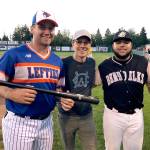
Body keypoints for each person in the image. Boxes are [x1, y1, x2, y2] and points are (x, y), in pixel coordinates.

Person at [0, 10, 74, 150]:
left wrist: (63, 98)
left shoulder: (57, 61)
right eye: (42, 27)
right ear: (32, 29)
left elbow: (58, 90)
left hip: (46, 122)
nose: (47, 31)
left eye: (51, 28)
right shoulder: (13, 55)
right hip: (19, 122)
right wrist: (11, 94)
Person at [98, 30, 150, 150]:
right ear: (113, 45)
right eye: (118, 42)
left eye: (126, 42)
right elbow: (88, 84)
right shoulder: (104, 66)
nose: (122, 45)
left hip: (136, 116)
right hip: (113, 115)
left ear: (131, 44)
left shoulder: (143, 62)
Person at [58, 29, 99, 150]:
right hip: (67, 116)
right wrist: (61, 98)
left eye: (86, 43)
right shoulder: (63, 63)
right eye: (79, 42)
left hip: (86, 116)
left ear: (90, 45)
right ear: (73, 44)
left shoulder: (92, 62)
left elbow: (90, 83)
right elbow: (56, 87)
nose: (82, 45)